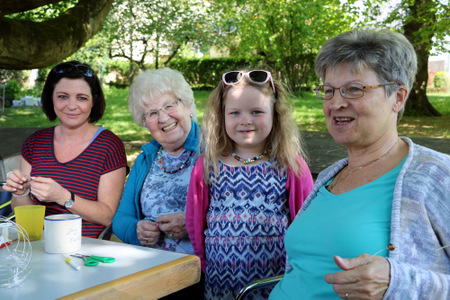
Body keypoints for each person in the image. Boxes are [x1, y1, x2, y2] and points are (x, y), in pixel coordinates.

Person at [269, 29, 450, 300]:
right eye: (329, 91)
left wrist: (397, 282)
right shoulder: (331, 175)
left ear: (398, 97)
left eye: (354, 89)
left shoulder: (436, 176)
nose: (336, 104)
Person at [186, 69, 314, 299]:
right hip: (219, 283)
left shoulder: (290, 165)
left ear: (275, 115)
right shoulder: (208, 165)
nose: (245, 120)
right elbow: (195, 221)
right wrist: (204, 264)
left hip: (274, 284)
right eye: (235, 113)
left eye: (257, 112)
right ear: (221, 115)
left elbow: (307, 226)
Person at [4, 60, 128, 239]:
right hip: (40, 246)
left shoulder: (109, 145)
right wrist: (21, 193)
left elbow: (107, 216)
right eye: (63, 96)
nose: (71, 105)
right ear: (51, 98)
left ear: (94, 101)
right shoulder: (34, 143)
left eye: (81, 98)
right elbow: (22, 213)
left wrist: (63, 196)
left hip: (86, 254)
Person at [111, 68, 203, 297]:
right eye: (151, 113)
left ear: (188, 106)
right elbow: (120, 219)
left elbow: (232, 215)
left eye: (169, 105)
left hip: (201, 274)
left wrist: (190, 222)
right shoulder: (145, 160)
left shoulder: (214, 151)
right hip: (151, 274)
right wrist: (137, 230)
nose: (163, 118)